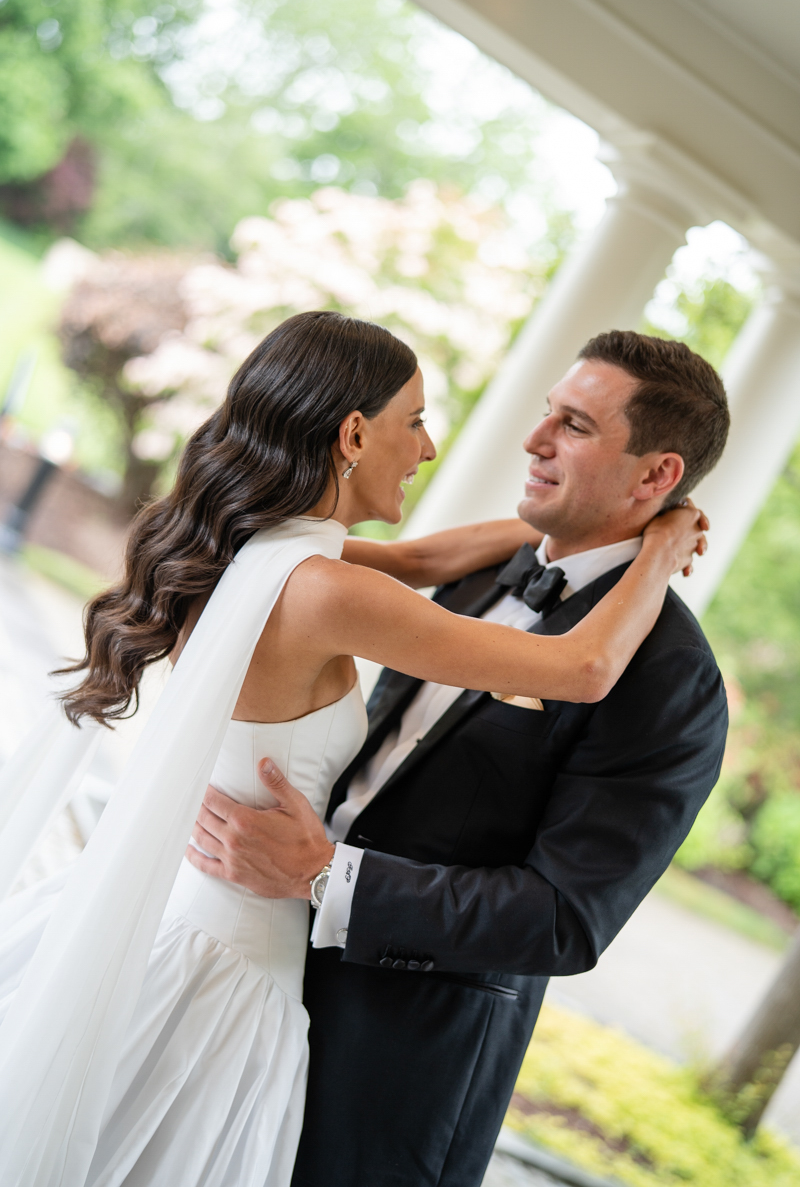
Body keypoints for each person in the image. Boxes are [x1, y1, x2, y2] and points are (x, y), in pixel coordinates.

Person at [0, 314, 703, 1187]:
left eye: (574, 423)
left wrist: (571, 533)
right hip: (233, 967)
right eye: (415, 422)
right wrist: (659, 550)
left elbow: (421, 556)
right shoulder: (327, 588)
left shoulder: (261, 549)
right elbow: (585, 666)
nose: (434, 446)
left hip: (256, 965)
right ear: (354, 434)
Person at [188, 329, 730, 1187]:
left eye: (575, 426)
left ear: (659, 476)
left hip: (398, 1066)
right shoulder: (482, 573)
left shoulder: (670, 681)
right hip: (256, 983)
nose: (533, 438)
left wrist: (329, 877)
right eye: (547, 411)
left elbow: (563, 917)